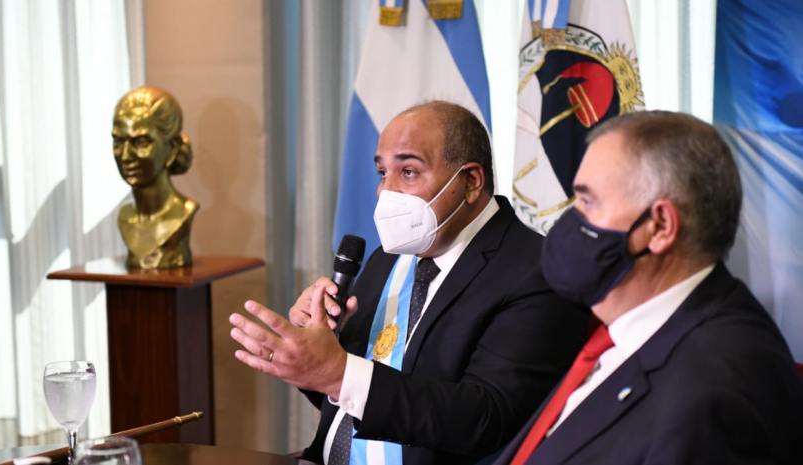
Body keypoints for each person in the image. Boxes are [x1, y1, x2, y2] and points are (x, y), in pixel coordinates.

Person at [229, 101, 590, 465]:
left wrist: (337, 373)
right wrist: (313, 357)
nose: (386, 192)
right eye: (382, 172)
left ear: (470, 181)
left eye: (409, 172)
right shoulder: (389, 257)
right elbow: (357, 400)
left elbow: (486, 419)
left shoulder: (536, 271)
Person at [494, 110, 803, 465]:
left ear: (659, 227)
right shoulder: (629, 329)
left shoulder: (712, 391)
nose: (570, 219)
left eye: (588, 201)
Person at [112, 86, 198, 269]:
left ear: (172, 148)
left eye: (141, 142)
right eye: (118, 142)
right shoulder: (125, 215)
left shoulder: (184, 211)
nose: (125, 156)